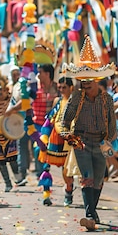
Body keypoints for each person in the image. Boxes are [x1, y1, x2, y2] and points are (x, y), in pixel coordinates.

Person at [59, 36, 117, 231]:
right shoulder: (77, 96)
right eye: (82, 82)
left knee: (99, 179)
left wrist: (108, 141)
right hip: (81, 140)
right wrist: (68, 134)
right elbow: (65, 119)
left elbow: (113, 124)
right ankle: (89, 213)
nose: (85, 85)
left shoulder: (106, 99)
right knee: (87, 176)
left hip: (100, 141)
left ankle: (92, 211)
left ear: (97, 81)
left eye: (88, 82)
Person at [41, 77, 76, 206]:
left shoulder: (76, 102)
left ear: (71, 88)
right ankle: (46, 195)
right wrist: (44, 135)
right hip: (55, 137)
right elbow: (50, 119)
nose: (61, 90)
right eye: (59, 87)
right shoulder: (58, 100)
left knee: (67, 169)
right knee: (46, 165)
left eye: (64, 87)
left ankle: (68, 191)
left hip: (69, 138)